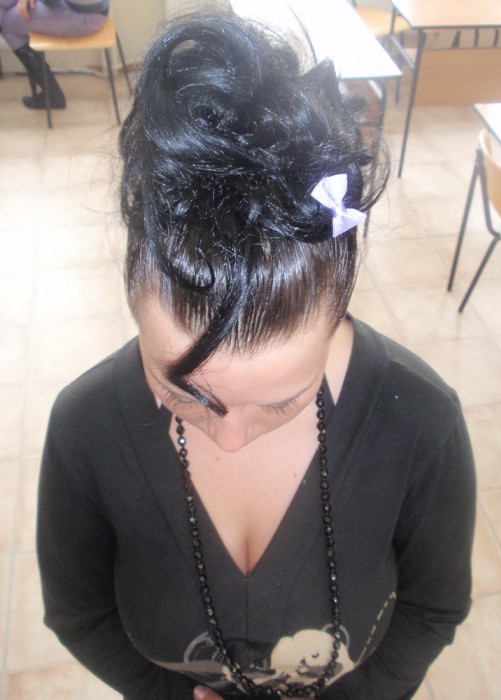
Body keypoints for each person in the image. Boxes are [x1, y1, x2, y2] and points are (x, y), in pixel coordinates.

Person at [36, 11, 476, 700]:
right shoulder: (85, 427)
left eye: (280, 402)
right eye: (183, 393)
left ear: (337, 314)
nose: (231, 438)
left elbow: (433, 609)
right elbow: (78, 614)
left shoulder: (421, 424)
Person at [0, 0, 109, 109]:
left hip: (83, 15)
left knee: (7, 24)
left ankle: (53, 94)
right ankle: (52, 93)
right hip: (80, 8)